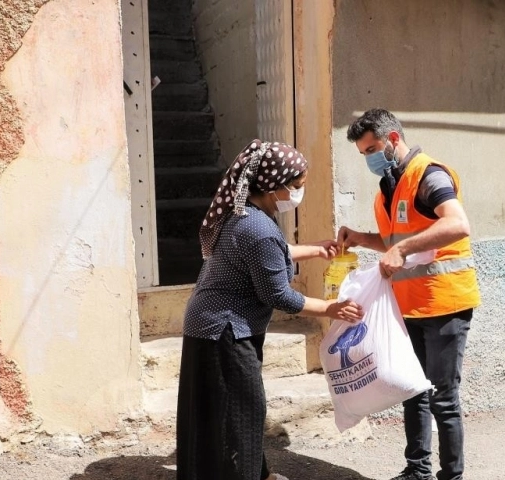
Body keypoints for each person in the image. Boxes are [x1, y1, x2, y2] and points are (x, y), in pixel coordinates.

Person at [177, 139, 363, 480]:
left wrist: (313, 250)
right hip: (224, 330)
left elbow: (270, 254)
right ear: (273, 186)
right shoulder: (258, 228)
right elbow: (280, 295)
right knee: (242, 409)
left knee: (224, 409)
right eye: (295, 187)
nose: (297, 194)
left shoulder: (244, 213)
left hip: (211, 324)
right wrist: (332, 308)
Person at [338, 109, 480, 480]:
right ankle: (417, 471)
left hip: (444, 303)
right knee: (412, 391)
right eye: (362, 152)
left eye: (371, 148)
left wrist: (399, 251)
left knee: (442, 399)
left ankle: (452, 476)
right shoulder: (390, 185)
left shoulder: (428, 175)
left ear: (393, 140)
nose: (368, 157)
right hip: (409, 307)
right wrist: (360, 238)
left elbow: (457, 223)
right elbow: (394, 241)